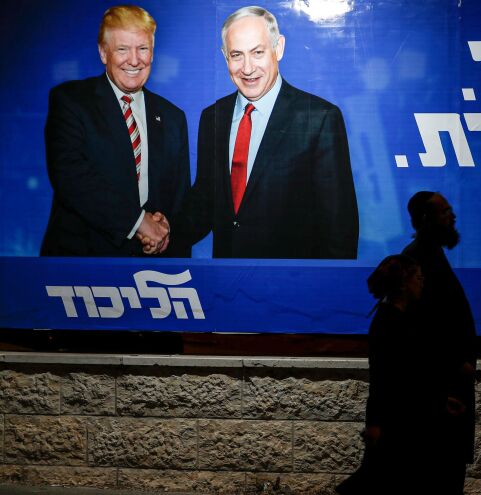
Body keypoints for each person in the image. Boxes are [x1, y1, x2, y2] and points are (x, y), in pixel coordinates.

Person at [176, 6, 358, 259]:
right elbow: (207, 200)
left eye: (258, 52)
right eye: (237, 55)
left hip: (292, 287)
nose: (247, 68)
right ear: (224, 56)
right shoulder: (213, 117)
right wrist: (165, 233)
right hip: (226, 284)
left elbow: (339, 226)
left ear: (279, 48)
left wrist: (326, 290)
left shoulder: (319, 118)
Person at [42, 5, 190, 257]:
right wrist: (139, 222)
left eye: (143, 48)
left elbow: (179, 199)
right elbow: (71, 177)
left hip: (153, 269)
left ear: (152, 53)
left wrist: (166, 230)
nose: (134, 60)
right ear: (103, 52)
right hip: (80, 268)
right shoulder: (71, 101)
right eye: (122, 49)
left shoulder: (173, 117)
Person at [337, 255, 435, 494]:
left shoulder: (400, 319)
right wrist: (376, 423)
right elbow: (383, 376)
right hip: (396, 419)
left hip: (402, 417)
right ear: (403, 284)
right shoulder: (389, 323)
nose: (422, 282)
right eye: (418, 278)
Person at [402, 191, 476, 493]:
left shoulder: (431, 255)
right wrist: (445, 386)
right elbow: (421, 332)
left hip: (447, 395)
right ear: (425, 219)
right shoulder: (418, 260)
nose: (453, 216)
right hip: (439, 400)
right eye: (445, 211)